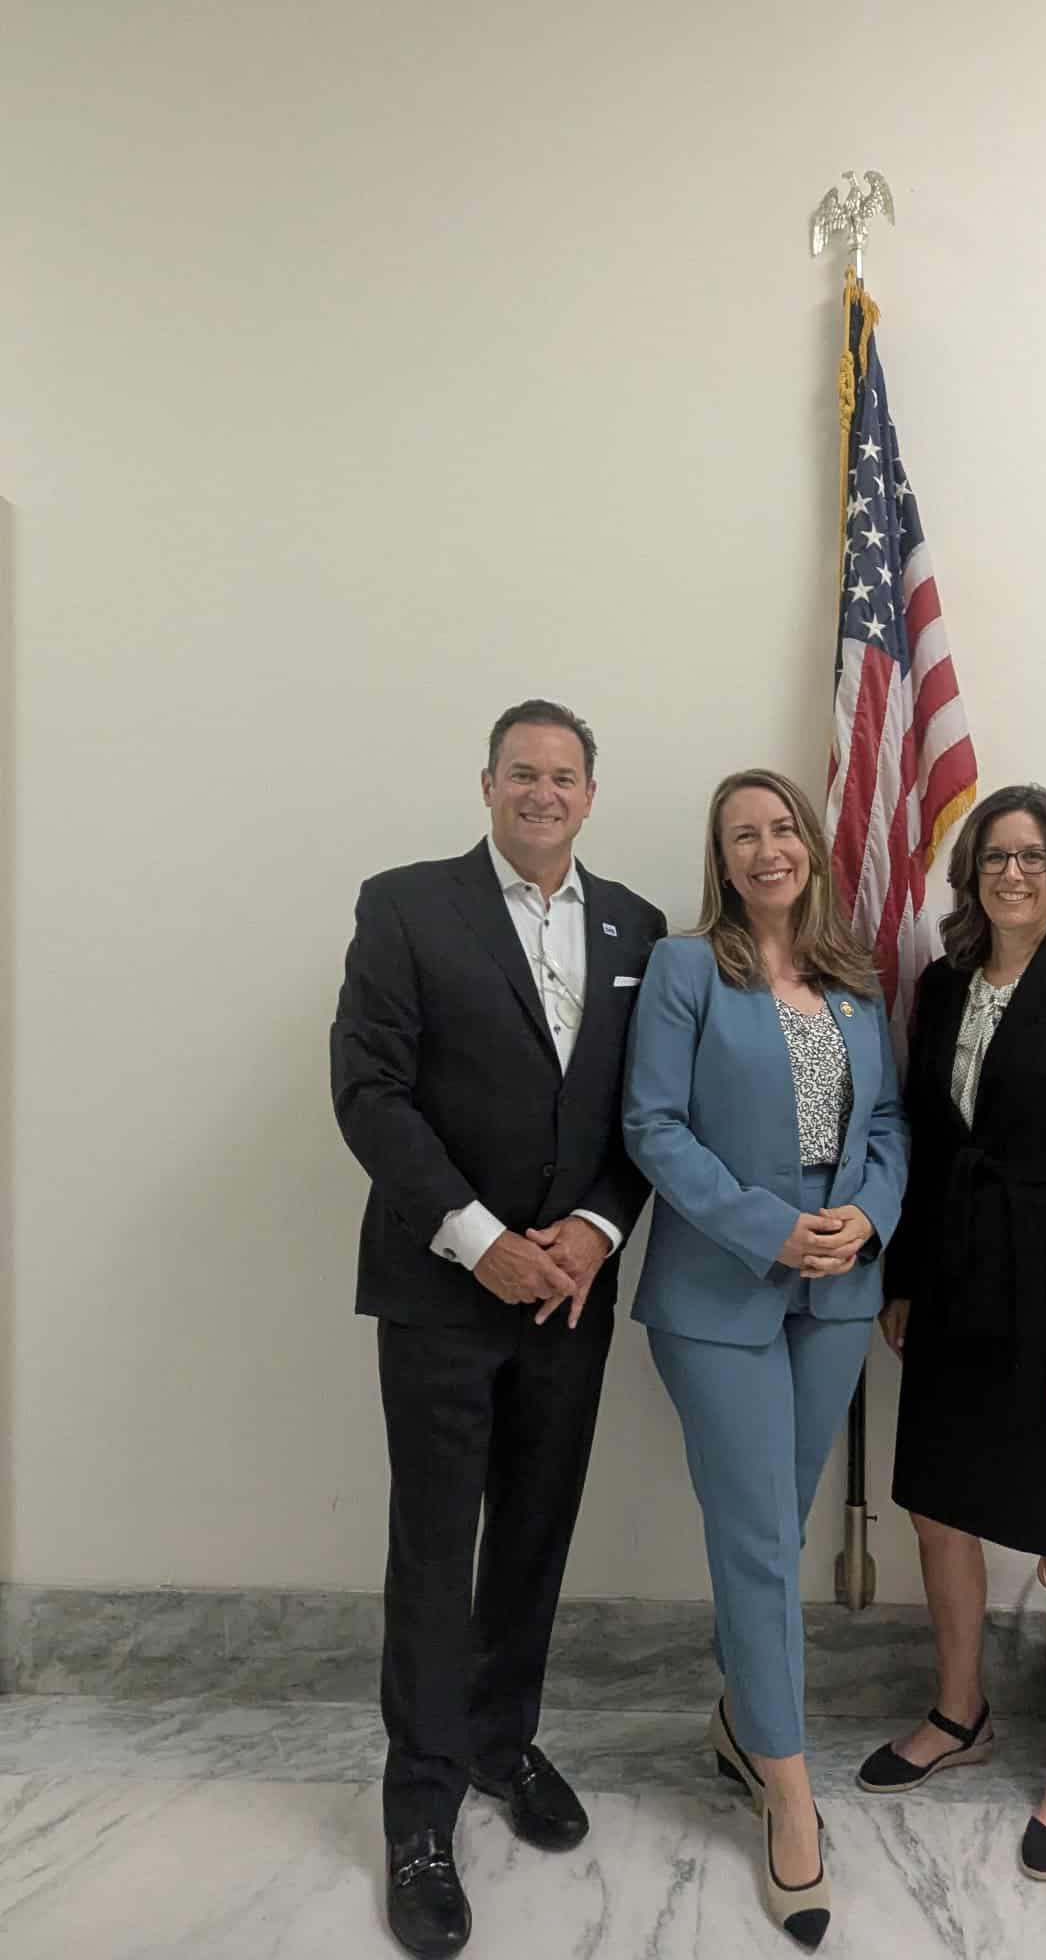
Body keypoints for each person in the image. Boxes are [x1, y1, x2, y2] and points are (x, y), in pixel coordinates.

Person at [331, 700, 666, 1958]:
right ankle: (418, 1809)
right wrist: (483, 1240)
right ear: (486, 785)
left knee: (533, 1530)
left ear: (590, 793)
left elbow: (652, 1108)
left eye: (563, 774)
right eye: (521, 771)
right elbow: (369, 1089)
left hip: (574, 1294)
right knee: (435, 1545)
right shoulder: (406, 906)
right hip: (441, 1292)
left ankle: (500, 1739)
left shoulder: (638, 926)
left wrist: (593, 1227)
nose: (542, 790)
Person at [623, 770, 907, 1952]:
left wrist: (866, 1218)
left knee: (776, 1532)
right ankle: (790, 1794)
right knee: (751, 1534)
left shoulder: (852, 980)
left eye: (782, 825)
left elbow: (887, 1128)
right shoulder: (691, 968)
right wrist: (763, 1222)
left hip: (836, 1290)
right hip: (720, 1286)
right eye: (744, 834)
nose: (768, 846)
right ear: (723, 859)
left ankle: (745, 1716)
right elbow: (652, 1124)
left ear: (809, 843)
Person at [858, 783, 1046, 1886]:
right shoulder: (942, 985)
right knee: (940, 1507)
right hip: (955, 1285)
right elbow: (927, 1146)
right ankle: (959, 1708)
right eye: (994, 857)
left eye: (1031, 854)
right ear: (971, 873)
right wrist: (904, 1278)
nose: (1012, 872)